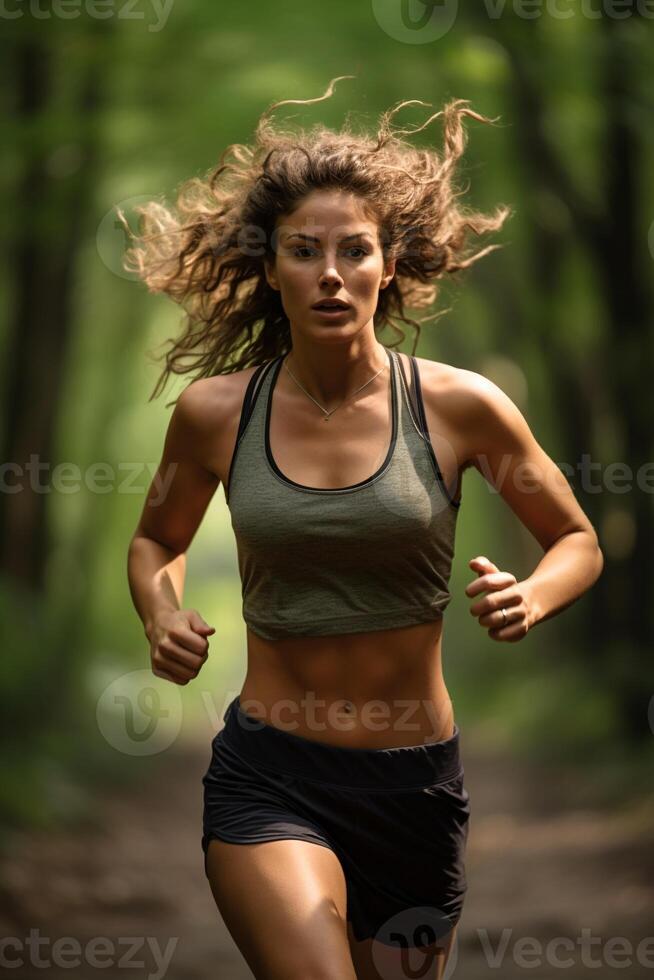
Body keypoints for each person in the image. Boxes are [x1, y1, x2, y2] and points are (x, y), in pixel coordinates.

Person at [122, 78, 604, 980]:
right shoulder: (215, 415)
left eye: (355, 251)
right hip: (270, 774)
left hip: (415, 787)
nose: (331, 274)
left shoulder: (463, 407)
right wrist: (160, 611)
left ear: (391, 265)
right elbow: (158, 541)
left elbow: (578, 541)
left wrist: (531, 597)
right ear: (271, 269)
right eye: (304, 252)